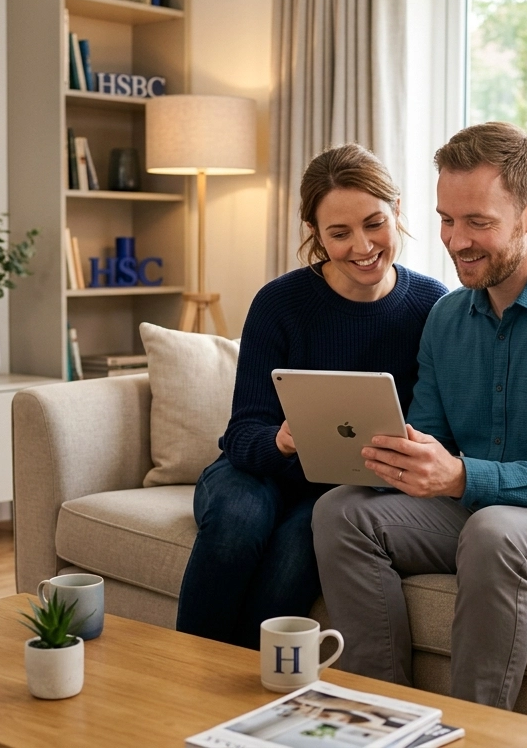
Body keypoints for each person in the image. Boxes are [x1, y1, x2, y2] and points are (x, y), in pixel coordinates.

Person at [311, 122, 527, 709]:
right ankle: (380, 718)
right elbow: (434, 445)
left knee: (494, 531)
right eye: (448, 220)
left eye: (479, 222)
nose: (457, 240)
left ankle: (475, 734)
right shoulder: (446, 319)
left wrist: (460, 477)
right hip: (481, 513)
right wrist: (391, 454)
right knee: (342, 513)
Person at [174, 144, 448, 649]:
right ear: (316, 235)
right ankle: (191, 675)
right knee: (240, 520)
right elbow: (241, 433)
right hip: (255, 471)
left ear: (397, 213)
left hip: (341, 491)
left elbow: (439, 429)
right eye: (339, 233)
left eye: (374, 223)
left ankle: (252, 681)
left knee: (302, 541)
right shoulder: (280, 302)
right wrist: (280, 440)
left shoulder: (434, 307)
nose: (362, 246)